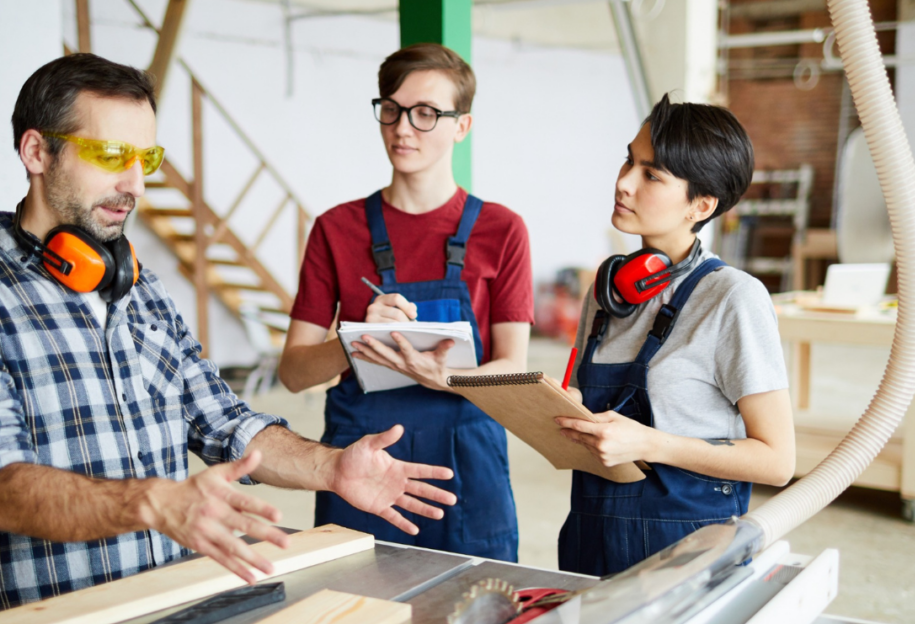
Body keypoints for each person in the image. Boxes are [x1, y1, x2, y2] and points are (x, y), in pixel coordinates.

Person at [0, 53, 456, 617]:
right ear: (37, 152)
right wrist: (154, 502)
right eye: (111, 155)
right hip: (56, 622)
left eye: (146, 158)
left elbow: (225, 421)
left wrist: (330, 468)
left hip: (171, 609)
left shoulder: (143, 290)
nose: (135, 183)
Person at [278, 44, 533, 562]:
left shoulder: (502, 230)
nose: (402, 128)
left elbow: (513, 367)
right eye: (391, 109)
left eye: (426, 113)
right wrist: (354, 340)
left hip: (466, 464)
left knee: (475, 607)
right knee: (352, 607)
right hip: (363, 457)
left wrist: (451, 378)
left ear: (462, 126)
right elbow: (294, 372)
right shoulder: (336, 229)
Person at [553, 95, 796, 576]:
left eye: (651, 175)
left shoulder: (731, 299)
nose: (623, 182)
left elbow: (777, 461)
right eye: (629, 160)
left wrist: (650, 444)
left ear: (702, 205)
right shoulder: (607, 291)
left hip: (687, 552)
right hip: (588, 534)